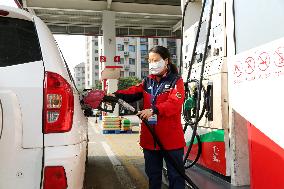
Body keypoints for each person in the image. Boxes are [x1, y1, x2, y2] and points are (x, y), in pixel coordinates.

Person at [111, 46, 186, 189]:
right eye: (150, 60)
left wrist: (154, 110)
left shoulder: (176, 81)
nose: (152, 63)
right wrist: (116, 94)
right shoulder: (147, 81)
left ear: (166, 61)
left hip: (170, 139)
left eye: (156, 60)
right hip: (150, 139)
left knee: (176, 177)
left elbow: (174, 103)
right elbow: (132, 91)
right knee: (153, 175)